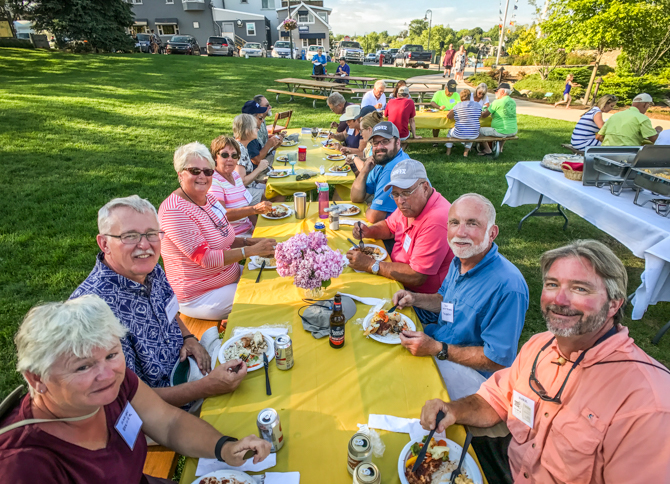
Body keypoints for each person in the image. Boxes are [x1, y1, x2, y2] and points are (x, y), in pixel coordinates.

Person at [419, 240, 670, 484]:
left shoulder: (648, 403)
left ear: (614, 304)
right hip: (509, 463)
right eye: (552, 284)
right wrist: (453, 410)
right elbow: (496, 398)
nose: (559, 300)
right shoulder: (541, 345)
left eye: (580, 288)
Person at [0, 295, 271, 483]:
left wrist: (225, 447)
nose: (106, 375)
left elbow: (169, 423)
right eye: (83, 367)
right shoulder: (22, 465)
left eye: (111, 355)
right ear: (36, 379)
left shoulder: (114, 384)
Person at [70, 196, 248, 409]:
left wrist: (189, 337)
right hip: (163, 411)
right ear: (104, 243)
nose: (145, 245)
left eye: (152, 234)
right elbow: (128, 399)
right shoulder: (92, 314)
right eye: (130, 236)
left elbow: (169, 308)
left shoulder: (151, 270)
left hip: (190, 368)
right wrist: (206, 387)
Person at [393, 193, 528, 400]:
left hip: (475, 378)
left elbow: (498, 359)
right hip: (438, 343)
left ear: (492, 233)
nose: (460, 232)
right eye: (454, 223)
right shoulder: (461, 260)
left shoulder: (509, 286)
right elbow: (445, 301)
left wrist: (438, 348)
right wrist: (414, 298)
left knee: (400, 385)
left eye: (472, 223)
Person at [158, 142, 276, 321]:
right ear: (180, 173)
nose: (202, 176)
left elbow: (224, 236)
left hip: (229, 276)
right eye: (195, 171)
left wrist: (249, 242)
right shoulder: (175, 211)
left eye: (208, 171)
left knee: (276, 277)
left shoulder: (209, 199)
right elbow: (205, 258)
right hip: (201, 295)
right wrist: (251, 251)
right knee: (266, 296)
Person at [347, 159, 453, 295]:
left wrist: (370, 264)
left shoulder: (436, 220)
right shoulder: (412, 206)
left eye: (407, 192)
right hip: (398, 275)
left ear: (425, 188)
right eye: (396, 194)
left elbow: (417, 276)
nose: (400, 201)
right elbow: (390, 226)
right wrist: (369, 231)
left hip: (419, 296)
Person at [209, 136, 272, 236]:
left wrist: (257, 228)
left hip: (248, 230)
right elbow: (223, 215)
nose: (230, 159)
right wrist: (254, 210)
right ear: (215, 157)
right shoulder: (213, 181)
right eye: (225, 155)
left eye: (234, 156)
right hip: (233, 237)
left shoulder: (235, 176)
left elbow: (246, 206)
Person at [350, 121, 410, 224]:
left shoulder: (395, 167)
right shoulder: (381, 163)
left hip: (405, 234)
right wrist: (365, 170)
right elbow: (356, 197)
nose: (379, 147)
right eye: (375, 143)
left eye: (385, 141)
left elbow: (374, 217)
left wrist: (371, 206)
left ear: (398, 142)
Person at [596, 93, 662, 146]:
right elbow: (653, 139)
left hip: (605, 152)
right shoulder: (642, 118)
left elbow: (599, 137)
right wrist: (658, 131)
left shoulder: (615, 116)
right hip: (627, 154)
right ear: (645, 104)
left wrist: (613, 145)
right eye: (649, 106)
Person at [233, 113, 269, 204]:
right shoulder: (239, 150)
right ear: (247, 131)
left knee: (274, 187)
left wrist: (259, 181)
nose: (258, 129)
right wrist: (260, 168)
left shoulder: (242, 146)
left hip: (250, 186)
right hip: (241, 193)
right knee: (276, 194)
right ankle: (271, 216)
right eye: (255, 127)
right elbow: (242, 182)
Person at [479, 82, 518, 155]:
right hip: (513, 130)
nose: (495, 93)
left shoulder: (497, 102)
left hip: (501, 131)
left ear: (502, 92)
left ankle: (487, 150)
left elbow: (484, 115)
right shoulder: (513, 102)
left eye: (497, 91)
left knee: (478, 131)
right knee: (505, 129)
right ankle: (500, 148)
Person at [242, 100, 282, 168]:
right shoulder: (248, 135)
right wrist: (269, 144)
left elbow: (261, 151)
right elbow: (256, 161)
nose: (262, 120)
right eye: (260, 118)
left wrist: (273, 145)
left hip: (261, 167)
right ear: (251, 119)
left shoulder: (253, 131)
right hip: (256, 172)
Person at [445, 89, 482, 157]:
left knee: (449, 133)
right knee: (471, 132)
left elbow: (449, 116)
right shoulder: (477, 105)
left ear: (460, 98)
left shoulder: (457, 106)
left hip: (459, 133)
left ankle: (448, 151)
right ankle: (466, 153)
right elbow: (480, 115)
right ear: (470, 96)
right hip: (474, 134)